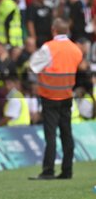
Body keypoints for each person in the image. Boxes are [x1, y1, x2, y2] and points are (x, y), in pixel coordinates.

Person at [29, 18, 82, 180]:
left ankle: (48, 170)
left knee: (50, 134)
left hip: (49, 95)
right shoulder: (76, 49)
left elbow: (33, 65)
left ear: (54, 30)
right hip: (66, 95)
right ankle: (67, 171)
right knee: (67, 133)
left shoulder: (49, 47)